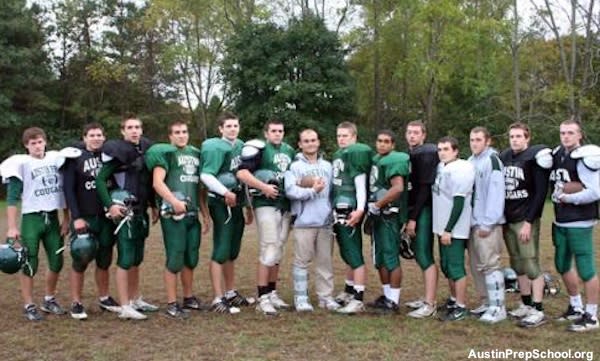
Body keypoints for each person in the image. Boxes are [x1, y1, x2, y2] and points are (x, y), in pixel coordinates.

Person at [0, 127, 77, 321]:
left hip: (52, 218)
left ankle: (49, 299)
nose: (37, 146)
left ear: (45, 142)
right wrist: (11, 226)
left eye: (40, 142)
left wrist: (66, 218)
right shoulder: (22, 164)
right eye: (32, 143)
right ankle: (28, 304)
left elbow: (65, 191)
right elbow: (12, 198)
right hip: (32, 219)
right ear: (26, 145)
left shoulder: (55, 159)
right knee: (29, 262)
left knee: (57, 261)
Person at [96, 115, 159, 320]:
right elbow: (100, 179)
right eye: (130, 127)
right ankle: (124, 305)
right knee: (125, 258)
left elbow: (146, 182)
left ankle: (134, 298)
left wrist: (153, 204)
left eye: (137, 127)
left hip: (141, 210)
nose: (134, 131)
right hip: (125, 211)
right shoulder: (118, 153)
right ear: (122, 131)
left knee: (136, 258)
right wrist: (110, 205)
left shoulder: (143, 150)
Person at [146, 120, 211, 319]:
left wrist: (205, 213)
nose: (181, 135)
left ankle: (188, 297)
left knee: (191, 257)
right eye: (177, 132)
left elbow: (200, 188)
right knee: (175, 258)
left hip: (192, 213)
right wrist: (173, 201)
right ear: (170, 136)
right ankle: (172, 303)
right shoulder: (166, 153)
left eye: (184, 131)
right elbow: (157, 183)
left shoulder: (194, 153)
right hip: (173, 214)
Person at [237, 119, 295, 316]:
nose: (278, 134)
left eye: (280, 130)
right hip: (265, 204)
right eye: (274, 131)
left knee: (278, 249)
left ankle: (271, 292)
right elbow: (242, 173)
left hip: (284, 204)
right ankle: (262, 297)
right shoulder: (260, 149)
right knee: (269, 248)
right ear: (266, 133)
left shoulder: (289, 150)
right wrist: (263, 187)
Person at [62, 123, 120, 320]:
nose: (96, 138)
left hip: (105, 217)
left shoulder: (109, 157)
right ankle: (76, 302)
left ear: (104, 138)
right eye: (92, 135)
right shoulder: (74, 158)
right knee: (81, 258)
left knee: (105, 259)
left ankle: (104, 297)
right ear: (84, 137)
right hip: (84, 216)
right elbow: (68, 190)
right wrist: (76, 217)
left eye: (99, 135)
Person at [549, 118, 600, 332]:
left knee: (586, 269)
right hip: (560, 219)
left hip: (580, 220)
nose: (566, 136)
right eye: (563, 132)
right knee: (561, 264)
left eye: (571, 132)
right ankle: (575, 306)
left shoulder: (585, 157)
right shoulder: (558, 154)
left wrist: (568, 198)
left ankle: (591, 314)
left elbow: (595, 191)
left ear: (580, 135)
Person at [200, 112, 254, 314]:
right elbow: (206, 175)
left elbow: (244, 176)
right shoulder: (215, 146)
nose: (232, 129)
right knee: (221, 249)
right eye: (228, 126)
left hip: (237, 201)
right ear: (221, 129)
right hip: (221, 202)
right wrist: (224, 192)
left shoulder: (240, 145)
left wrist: (248, 206)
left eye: (235, 125)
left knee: (232, 250)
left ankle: (230, 292)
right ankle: (217, 297)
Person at [499, 122, 551, 328]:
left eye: (519, 136)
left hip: (525, 218)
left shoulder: (534, 157)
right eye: (512, 136)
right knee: (517, 263)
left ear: (527, 138)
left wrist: (529, 221)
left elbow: (540, 193)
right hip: (508, 217)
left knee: (530, 263)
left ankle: (538, 309)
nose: (515, 140)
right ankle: (526, 302)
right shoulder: (505, 157)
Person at [284, 129, 340, 312]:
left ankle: (326, 297)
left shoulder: (328, 166)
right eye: (306, 141)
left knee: (325, 262)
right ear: (300, 144)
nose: (310, 143)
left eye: (313, 140)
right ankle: (301, 298)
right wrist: (312, 191)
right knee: (302, 261)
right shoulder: (294, 167)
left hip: (324, 221)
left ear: (318, 142)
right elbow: (290, 191)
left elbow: (333, 192)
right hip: (303, 222)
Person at [331, 121, 373, 314]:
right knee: (347, 252)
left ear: (354, 137)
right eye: (339, 136)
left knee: (354, 252)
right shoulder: (338, 155)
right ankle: (349, 290)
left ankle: (358, 297)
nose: (341, 139)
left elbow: (359, 183)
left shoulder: (355, 153)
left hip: (350, 207)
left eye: (345, 136)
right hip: (338, 205)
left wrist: (360, 209)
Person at [365, 130, 410, 313]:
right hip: (378, 216)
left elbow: (397, 188)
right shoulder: (377, 159)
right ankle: (387, 297)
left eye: (386, 142)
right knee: (380, 258)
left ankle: (394, 300)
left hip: (389, 216)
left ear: (393, 145)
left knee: (391, 258)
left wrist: (377, 204)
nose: (382, 144)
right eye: (379, 140)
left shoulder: (395, 159)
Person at [432, 136, 475, 322]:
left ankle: (461, 306)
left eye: (446, 149)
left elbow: (459, 202)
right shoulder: (443, 167)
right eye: (440, 149)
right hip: (442, 225)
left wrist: (449, 228)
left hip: (454, 227)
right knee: (446, 266)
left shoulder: (462, 168)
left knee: (456, 268)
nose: (442, 152)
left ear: (456, 151)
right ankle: (453, 300)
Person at [468, 126, 507, 323]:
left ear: (487, 141)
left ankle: (498, 306)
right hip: (472, 223)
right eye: (472, 140)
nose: (474, 143)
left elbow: (496, 193)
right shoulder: (470, 161)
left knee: (490, 264)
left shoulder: (492, 161)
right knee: (477, 266)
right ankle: (486, 301)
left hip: (487, 224)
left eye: (478, 139)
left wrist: (489, 222)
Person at [404, 121, 440, 319]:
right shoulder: (411, 154)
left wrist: (413, 218)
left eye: (416, 133)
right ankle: (427, 296)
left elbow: (425, 189)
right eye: (409, 132)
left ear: (424, 135)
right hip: (414, 208)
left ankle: (430, 302)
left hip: (423, 209)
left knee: (424, 254)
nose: (412, 136)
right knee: (419, 254)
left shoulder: (426, 152)